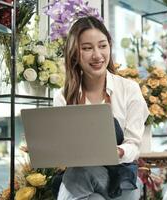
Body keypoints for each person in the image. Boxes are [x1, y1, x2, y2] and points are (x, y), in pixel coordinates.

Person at [53, 16, 149, 200]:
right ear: (74, 53)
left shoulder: (129, 89)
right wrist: (46, 147)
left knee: (76, 176)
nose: (97, 55)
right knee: (82, 179)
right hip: (81, 176)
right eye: (87, 48)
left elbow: (134, 145)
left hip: (121, 177)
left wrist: (118, 151)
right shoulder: (63, 96)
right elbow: (64, 150)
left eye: (103, 46)